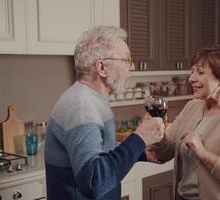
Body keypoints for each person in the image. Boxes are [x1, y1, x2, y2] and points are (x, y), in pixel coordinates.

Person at [44, 26, 164, 200]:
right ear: (101, 67)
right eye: (126, 60)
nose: (131, 67)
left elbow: (100, 157)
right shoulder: (82, 107)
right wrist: (140, 137)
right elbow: (94, 181)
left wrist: (139, 152)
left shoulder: (92, 99)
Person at [148, 45, 220, 200]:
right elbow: (165, 152)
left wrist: (203, 153)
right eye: (192, 71)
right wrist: (157, 132)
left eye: (200, 72)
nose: (191, 78)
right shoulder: (192, 106)